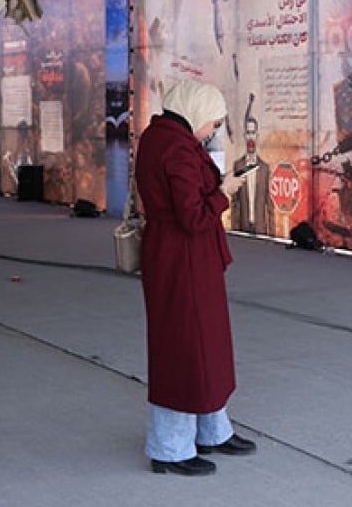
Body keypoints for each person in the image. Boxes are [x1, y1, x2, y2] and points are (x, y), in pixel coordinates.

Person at [133, 79, 256, 477]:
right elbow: (195, 216)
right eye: (212, 124)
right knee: (183, 351)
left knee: (203, 346)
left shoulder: (161, 137)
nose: (212, 132)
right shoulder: (177, 149)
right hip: (182, 258)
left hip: (181, 258)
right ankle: (170, 448)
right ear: (196, 113)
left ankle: (211, 429)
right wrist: (225, 193)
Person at [229, 94, 274, 235]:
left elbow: (269, 203)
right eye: (248, 133)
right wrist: (235, 231)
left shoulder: (265, 168)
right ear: (244, 136)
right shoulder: (238, 165)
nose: (250, 137)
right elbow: (235, 203)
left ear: (257, 135)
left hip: (261, 229)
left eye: (253, 132)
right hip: (243, 228)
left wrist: (272, 235)